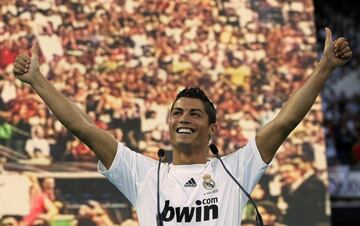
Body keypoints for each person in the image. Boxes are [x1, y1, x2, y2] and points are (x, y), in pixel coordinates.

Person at [12, 27, 352, 225]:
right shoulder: (143, 173)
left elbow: (284, 121)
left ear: (211, 128)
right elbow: (82, 127)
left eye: (194, 114)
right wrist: (37, 80)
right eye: (177, 113)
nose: (183, 118)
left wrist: (324, 68)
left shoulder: (235, 169)